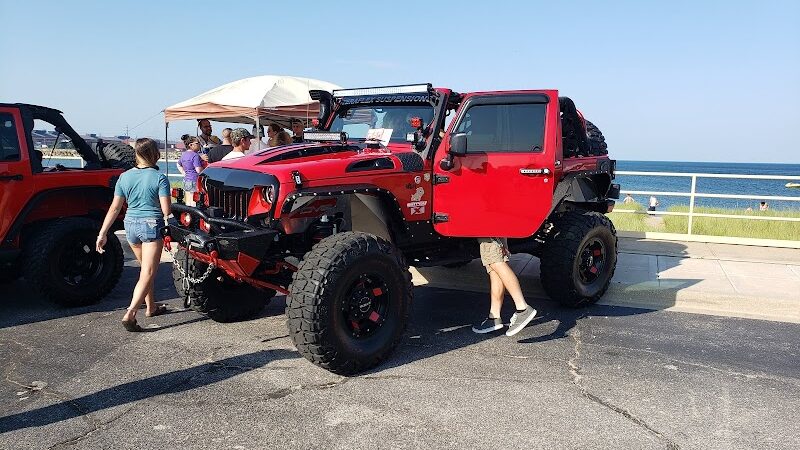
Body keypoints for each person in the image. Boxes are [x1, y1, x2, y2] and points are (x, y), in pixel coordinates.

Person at [96, 138, 171, 332]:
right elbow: (166, 209)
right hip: (150, 225)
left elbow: (114, 208)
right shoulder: (159, 177)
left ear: (136, 155)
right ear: (155, 154)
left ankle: (151, 307)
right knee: (148, 272)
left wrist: (103, 233)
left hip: (130, 225)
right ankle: (131, 312)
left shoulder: (124, 177)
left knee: (145, 271)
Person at [471, 238, 537, 336]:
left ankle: (523, 308)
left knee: (495, 262)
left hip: (485, 227)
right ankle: (494, 317)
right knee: (494, 267)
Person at [177, 135, 204, 206]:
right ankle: (192, 216)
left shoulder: (184, 154)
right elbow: (198, 170)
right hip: (194, 180)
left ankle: (187, 216)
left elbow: (178, 164)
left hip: (186, 180)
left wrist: (184, 173)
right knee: (194, 202)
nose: (199, 145)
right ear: (191, 145)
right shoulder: (195, 155)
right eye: (197, 143)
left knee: (188, 201)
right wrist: (205, 171)